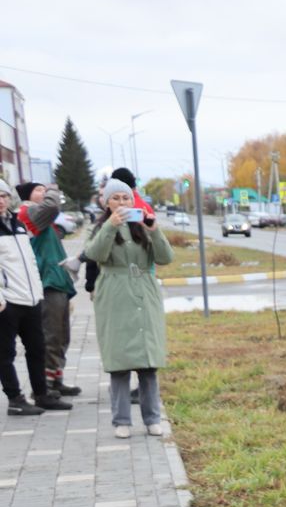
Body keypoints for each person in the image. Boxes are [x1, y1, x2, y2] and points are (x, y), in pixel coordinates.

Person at [83, 179, 172, 436]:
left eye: (126, 198)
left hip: (145, 291)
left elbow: (166, 258)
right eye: (116, 199)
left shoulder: (142, 226)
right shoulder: (102, 226)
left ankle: (152, 418)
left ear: (133, 201)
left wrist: (154, 230)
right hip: (115, 293)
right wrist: (111, 226)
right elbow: (96, 253)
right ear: (107, 203)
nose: (121, 203)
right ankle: (121, 421)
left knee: (148, 362)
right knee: (119, 362)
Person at [0, 186, 70, 417]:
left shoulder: (17, 225)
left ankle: (41, 394)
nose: (1, 201)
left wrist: (37, 291)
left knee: (37, 348)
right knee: (5, 353)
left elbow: (29, 262)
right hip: (7, 301)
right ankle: (15, 398)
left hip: (30, 298)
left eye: (3, 196)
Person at [16, 183, 80, 398]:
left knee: (61, 335)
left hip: (57, 281)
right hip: (47, 282)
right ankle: (45, 385)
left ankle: (56, 378)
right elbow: (52, 207)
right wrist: (54, 190)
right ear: (27, 196)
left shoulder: (39, 215)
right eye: (39, 190)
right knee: (51, 334)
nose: (44, 193)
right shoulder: (28, 212)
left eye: (45, 190)